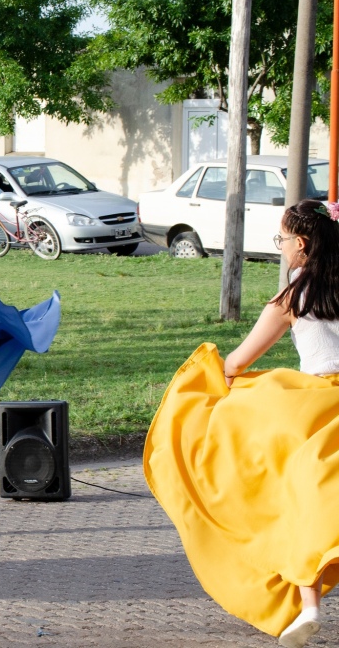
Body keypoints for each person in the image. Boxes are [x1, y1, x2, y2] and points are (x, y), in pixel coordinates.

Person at [145, 199, 339, 648]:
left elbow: (240, 359)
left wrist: (216, 375)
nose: (281, 247)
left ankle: (307, 605)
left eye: (283, 239)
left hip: (311, 409)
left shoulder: (293, 298)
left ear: (303, 245)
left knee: (290, 502)